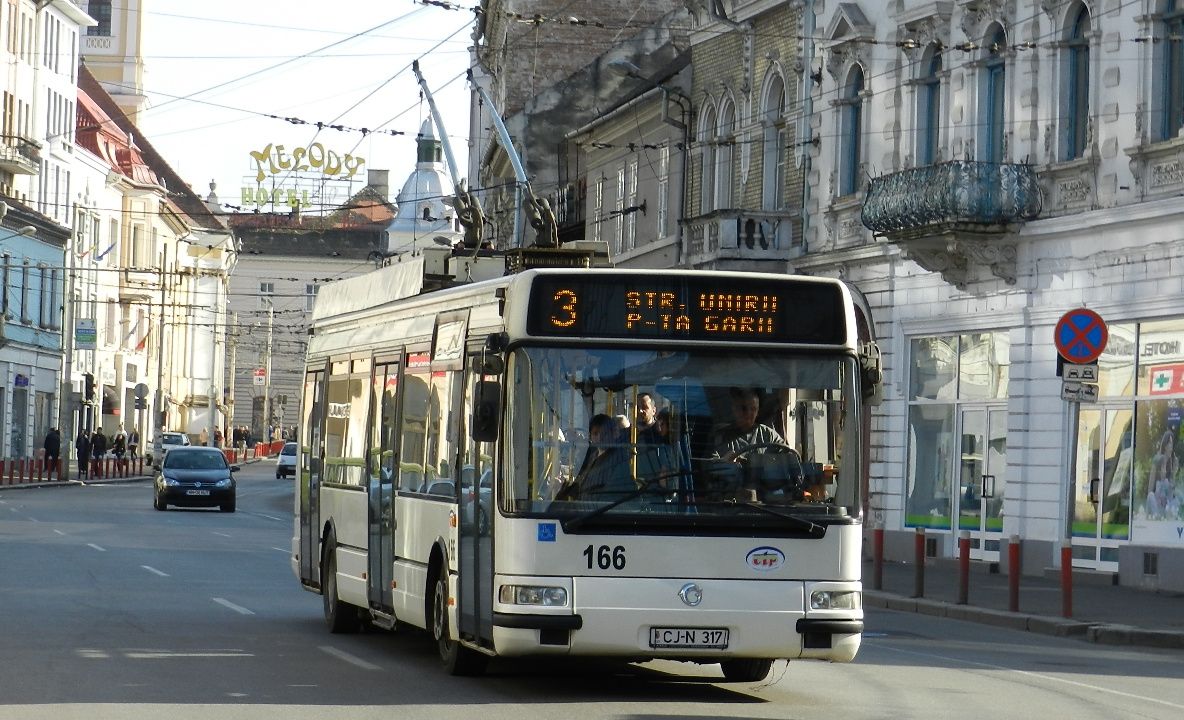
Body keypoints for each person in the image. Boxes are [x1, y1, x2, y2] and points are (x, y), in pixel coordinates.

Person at [555, 414, 635, 501]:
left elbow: (608, 493)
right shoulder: (594, 455)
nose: (600, 437)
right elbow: (584, 483)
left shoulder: (618, 458)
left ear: (613, 433)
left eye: (604, 433)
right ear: (591, 436)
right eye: (596, 433)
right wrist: (566, 488)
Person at [714, 387, 786, 461]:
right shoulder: (721, 437)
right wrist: (725, 460)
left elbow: (788, 458)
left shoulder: (770, 435)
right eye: (744, 408)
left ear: (757, 412)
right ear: (734, 409)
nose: (748, 413)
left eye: (753, 409)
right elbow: (710, 465)